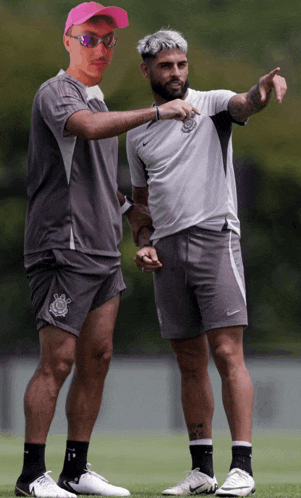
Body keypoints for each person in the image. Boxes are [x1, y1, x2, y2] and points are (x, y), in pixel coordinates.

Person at [16, 4, 199, 498]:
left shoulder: (98, 99)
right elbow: (89, 129)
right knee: (57, 361)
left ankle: (76, 469)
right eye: (89, 38)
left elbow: (98, 181)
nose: (100, 48)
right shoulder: (59, 93)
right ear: (68, 40)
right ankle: (32, 475)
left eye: (108, 40)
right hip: (63, 246)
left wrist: (131, 214)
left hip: (101, 250)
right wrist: (160, 110)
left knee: (98, 356)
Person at [126, 30, 287, 497]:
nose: (176, 73)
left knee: (226, 352)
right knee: (189, 361)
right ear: (147, 71)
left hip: (216, 238)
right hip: (168, 252)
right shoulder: (136, 130)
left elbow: (242, 105)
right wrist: (143, 239)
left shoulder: (211, 102)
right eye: (165, 66)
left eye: (180, 64)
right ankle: (201, 470)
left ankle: (243, 468)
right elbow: (141, 203)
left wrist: (259, 93)